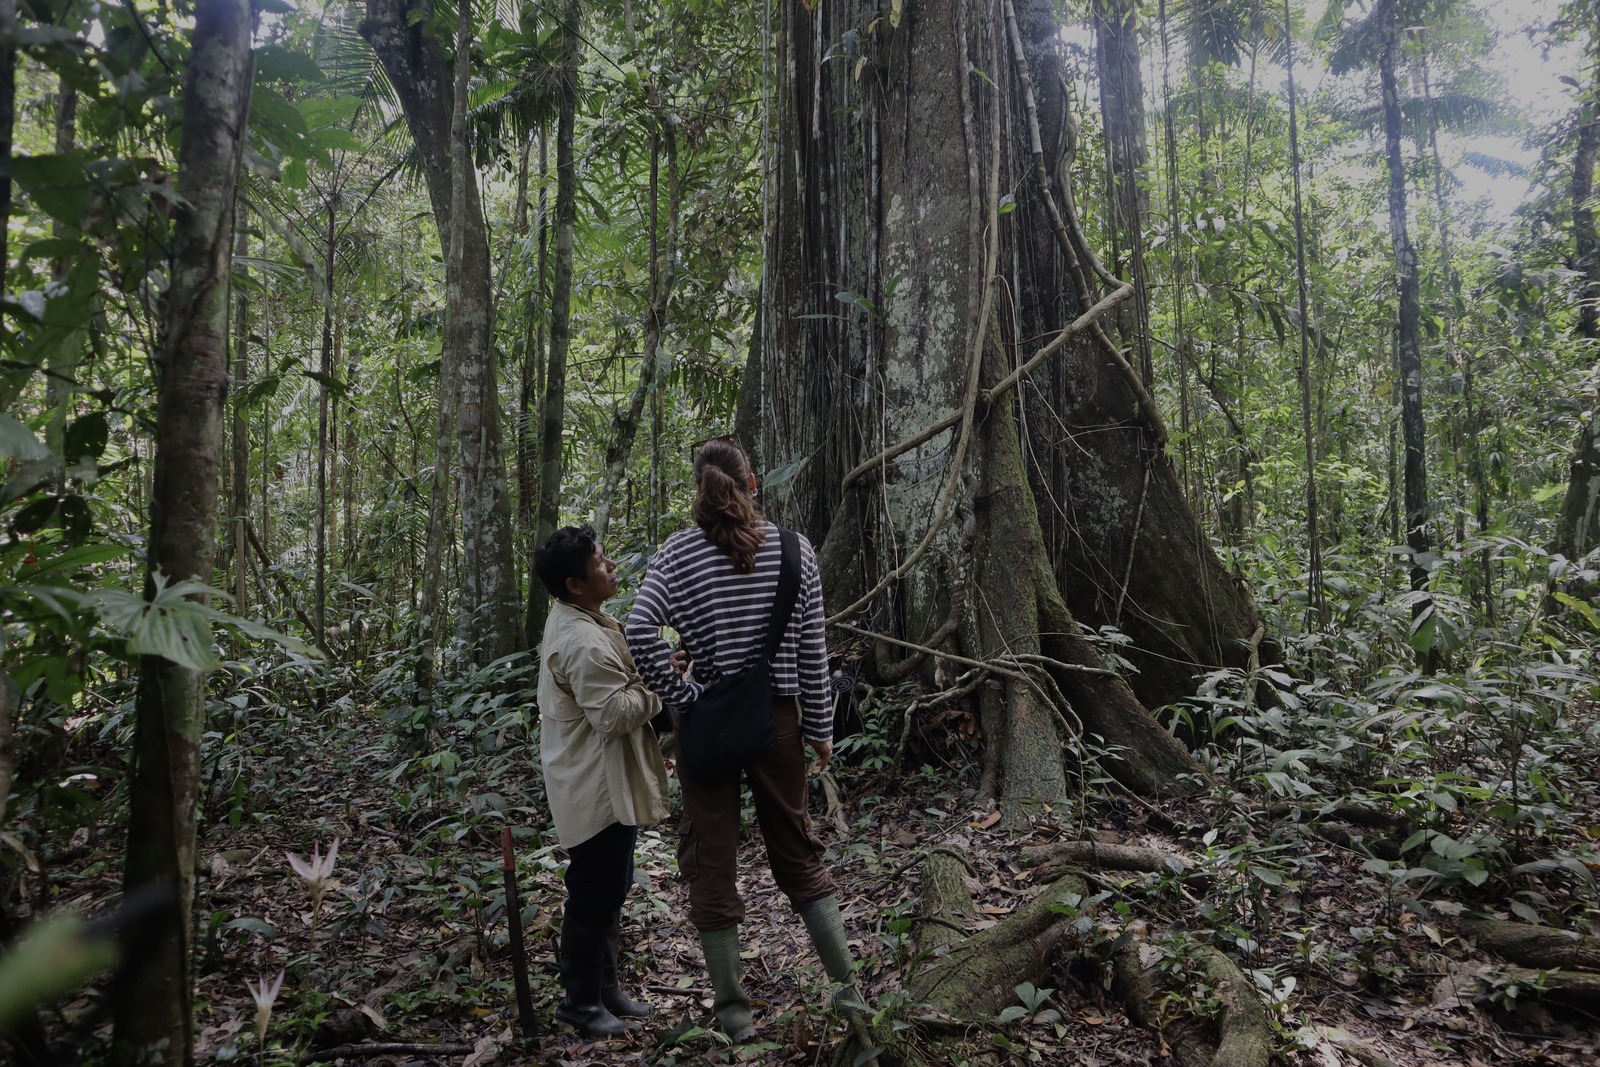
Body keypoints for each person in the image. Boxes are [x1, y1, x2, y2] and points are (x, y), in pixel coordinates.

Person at [624, 437, 864, 1043]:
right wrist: (819, 728)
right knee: (799, 856)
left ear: (699, 491)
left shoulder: (677, 553)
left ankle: (735, 1018)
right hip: (777, 723)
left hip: (705, 728)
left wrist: (682, 697)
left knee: (711, 859)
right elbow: (812, 646)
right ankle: (855, 1006)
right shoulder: (794, 550)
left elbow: (637, 625)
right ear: (752, 485)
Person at [534, 525, 670, 1038]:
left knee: (611, 885)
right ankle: (579, 1003)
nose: (611, 565)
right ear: (574, 582)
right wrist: (657, 687)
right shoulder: (581, 639)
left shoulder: (583, 617)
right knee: (593, 891)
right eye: (600, 561)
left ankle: (605, 989)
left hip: (600, 777)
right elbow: (613, 714)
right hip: (594, 785)